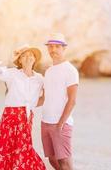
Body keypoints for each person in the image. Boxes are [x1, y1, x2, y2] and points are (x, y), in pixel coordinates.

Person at [0, 44, 46, 170]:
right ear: (19, 60)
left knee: (23, 147)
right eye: (24, 56)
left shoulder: (40, 78)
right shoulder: (12, 73)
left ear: (35, 59)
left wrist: (33, 104)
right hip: (10, 116)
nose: (28, 58)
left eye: (30, 55)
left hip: (26, 117)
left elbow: (48, 93)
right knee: (5, 146)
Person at [41, 33, 79, 170]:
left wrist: (61, 122)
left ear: (64, 48)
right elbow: (44, 98)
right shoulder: (49, 71)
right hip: (45, 122)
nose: (53, 50)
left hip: (60, 123)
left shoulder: (70, 70)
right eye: (50, 47)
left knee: (65, 162)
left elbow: (72, 100)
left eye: (57, 46)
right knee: (52, 159)